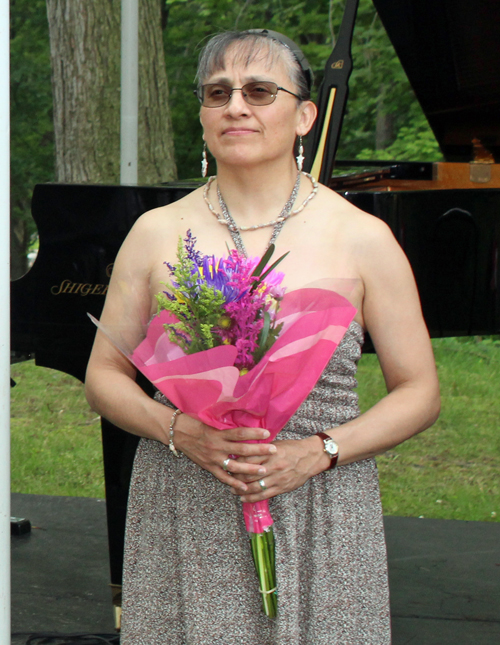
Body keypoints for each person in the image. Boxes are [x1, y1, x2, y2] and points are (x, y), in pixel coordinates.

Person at [85, 29, 440, 645]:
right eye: (217, 93)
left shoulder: (361, 238)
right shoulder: (155, 233)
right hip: (187, 495)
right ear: (202, 117)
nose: (236, 107)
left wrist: (317, 452)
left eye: (259, 91)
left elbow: (421, 391)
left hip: (321, 500)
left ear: (304, 115)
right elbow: (104, 377)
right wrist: (178, 429)